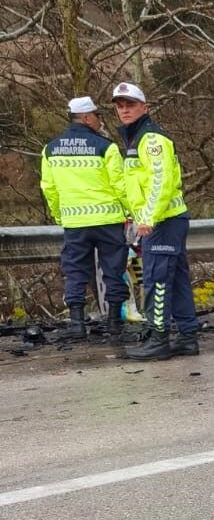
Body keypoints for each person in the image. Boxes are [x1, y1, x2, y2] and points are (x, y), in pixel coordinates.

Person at [112, 82, 201, 360]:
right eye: (119, 105)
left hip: (162, 221)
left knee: (157, 280)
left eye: (130, 104)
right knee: (176, 281)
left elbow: (161, 181)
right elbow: (136, 187)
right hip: (162, 221)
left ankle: (158, 338)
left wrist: (147, 218)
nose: (124, 110)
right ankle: (187, 337)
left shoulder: (150, 139)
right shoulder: (135, 138)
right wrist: (134, 215)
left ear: (144, 107)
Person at [39, 96, 130, 341]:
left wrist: (60, 215)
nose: (100, 120)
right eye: (98, 116)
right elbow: (120, 185)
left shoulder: (51, 149)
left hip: (75, 223)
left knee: (75, 271)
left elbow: (49, 188)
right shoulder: (106, 147)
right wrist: (129, 211)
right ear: (87, 117)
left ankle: (77, 324)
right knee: (113, 270)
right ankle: (114, 322)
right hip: (108, 220)